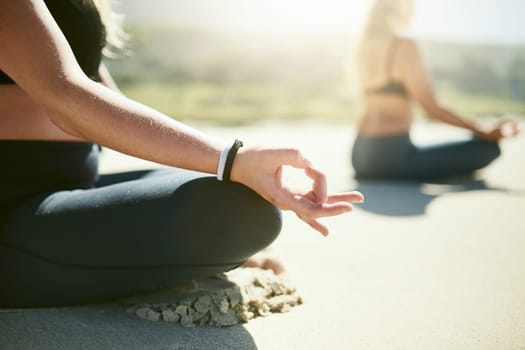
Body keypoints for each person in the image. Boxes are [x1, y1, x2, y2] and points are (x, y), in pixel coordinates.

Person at [0, 0, 364, 307]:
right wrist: (234, 158)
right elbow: (68, 99)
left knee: (237, 193)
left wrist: (234, 170)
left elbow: (113, 109)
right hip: (11, 206)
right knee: (242, 212)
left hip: (72, 187)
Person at [351, 0, 519, 180]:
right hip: (391, 157)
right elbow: (431, 109)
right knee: (488, 149)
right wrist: (482, 131)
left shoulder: (364, 48)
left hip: (359, 156)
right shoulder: (403, 46)